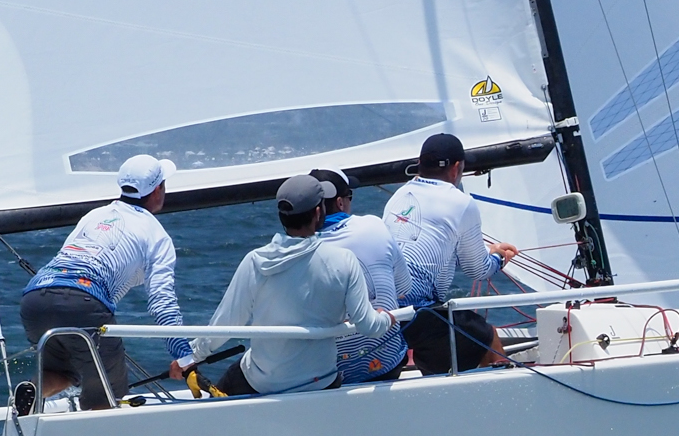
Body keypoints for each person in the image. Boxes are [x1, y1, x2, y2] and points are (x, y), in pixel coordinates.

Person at [19, 154, 193, 409]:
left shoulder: (95, 215)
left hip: (35, 297)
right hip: (83, 300)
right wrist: (184, 356)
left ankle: (32, 391)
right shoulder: (156, 234)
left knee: (63, 371)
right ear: (157, 190)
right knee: (109, 398)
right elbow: (162, 302)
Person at [199, 174, 399, 395]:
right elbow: (369, 326)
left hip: (264, 382)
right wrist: (386, 318)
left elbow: (225, 324)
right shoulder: (343, 260)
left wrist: (191, 357)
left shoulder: (255, 261)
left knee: (225, 387)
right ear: (318, 212)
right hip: (320, 380)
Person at [384, 132, 520, 374]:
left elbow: (428, 253)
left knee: (441, 333)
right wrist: (499, 258)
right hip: (414, 312)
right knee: (487, 337)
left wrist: (486, 250)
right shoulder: (461, 202)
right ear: (457, 168)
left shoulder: (399, 196)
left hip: (381, 308)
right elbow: (478, 270)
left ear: (420, 163)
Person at [310, 167, 410, 384]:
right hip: (387, 364)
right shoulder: (374, 225)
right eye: (350, 196)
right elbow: (403, 288)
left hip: (328, 376)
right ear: (340, 203)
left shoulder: (299, 251)